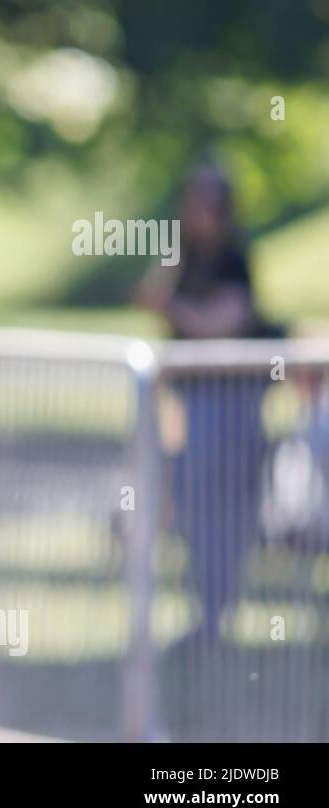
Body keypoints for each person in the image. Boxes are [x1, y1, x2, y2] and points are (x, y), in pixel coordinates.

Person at [135, 162, 273, 646]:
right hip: (190, 409)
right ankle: (205, 616)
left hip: (230, 409)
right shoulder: (184, 258)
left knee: (225, 514)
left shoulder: (233, 259)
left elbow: (223, 322)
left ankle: (218, 616)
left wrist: (174, 308)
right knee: (192, 512)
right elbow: (148, 296)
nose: (201, 214)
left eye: (210, 205)